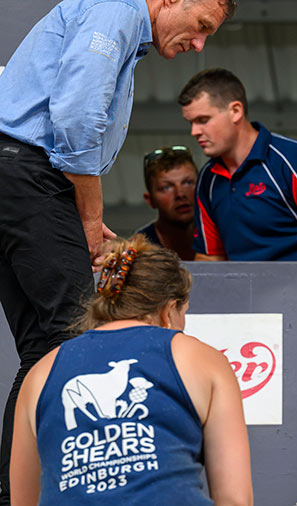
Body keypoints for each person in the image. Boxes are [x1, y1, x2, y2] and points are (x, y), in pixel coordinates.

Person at [0, 0, 234, 502]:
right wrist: (85, 215)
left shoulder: (117, 20)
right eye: (200, 26)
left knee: (45, 349)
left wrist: (78, 208)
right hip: (28, 173)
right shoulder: (118, 10)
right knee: (75, 337)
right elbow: (76, 118)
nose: (198, 45)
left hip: (21, 176)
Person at [10, 235, 253, 505]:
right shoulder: (202, 359)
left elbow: (22, 500)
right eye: (183, 314)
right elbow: (235, 499)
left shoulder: (41, 373)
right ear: (169, 310)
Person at [179, 68, 297, 293]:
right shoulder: (208, 180)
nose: (194, 132)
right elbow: (210, 257)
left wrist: (296, 284)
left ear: (235, 111)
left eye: (203, 120)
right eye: (191, 123)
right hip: (254, 310)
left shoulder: (292, 160)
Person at [136, 145, 199, 260]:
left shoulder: (224, 235)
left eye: (188, 183)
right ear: (150, 200)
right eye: (166, 187)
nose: (180, 194)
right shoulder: (139, 250)